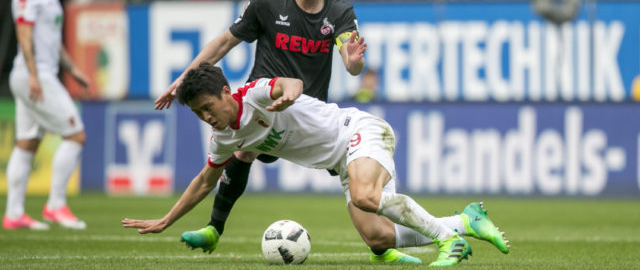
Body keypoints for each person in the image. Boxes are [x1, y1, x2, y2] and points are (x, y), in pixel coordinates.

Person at [123, 64, 511, 266]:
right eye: (198, 114)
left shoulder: (254, 94)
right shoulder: (225, 136)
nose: (207, 117)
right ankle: (465, 222)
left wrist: (287, 97)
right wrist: (166, 219)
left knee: (364, 196)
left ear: (226, 93)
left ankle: (449, 241)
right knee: (379, 239)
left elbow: (289, 83)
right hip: (343, 161)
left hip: (358, 130)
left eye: (208, 108)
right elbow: (205, 181)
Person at [153, 0, 391, 262]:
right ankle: (213, 228)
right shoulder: (266, 5)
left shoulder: (339, 12)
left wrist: (354, 61)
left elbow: (352, 64)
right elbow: (223, 44)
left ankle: (385, 242)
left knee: (360, 194)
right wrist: (182, 80)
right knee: (243, 148)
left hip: (308, 112)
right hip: (265, 96)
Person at [3, 0, 88, 230]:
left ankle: (14, 214)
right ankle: (56, 205)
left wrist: (73, 69)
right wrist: (34, 74)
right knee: (75, 134)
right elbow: (24, 36)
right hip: (34, 75)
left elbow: (53, 42)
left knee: (27, 143)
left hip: (38, 73)